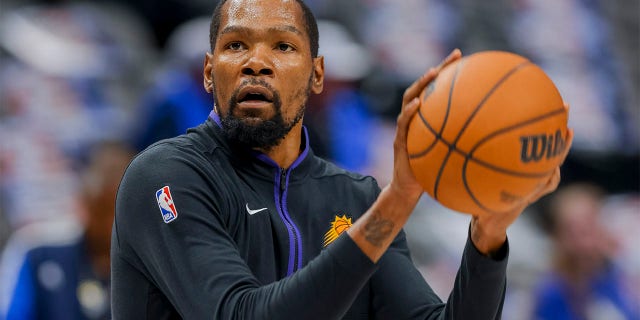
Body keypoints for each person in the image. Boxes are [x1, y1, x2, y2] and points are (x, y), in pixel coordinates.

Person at [110, 0, 572, 318]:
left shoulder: (353, 196)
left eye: (283, 46)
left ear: (317, 76)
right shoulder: (164, 177)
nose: (256, 61)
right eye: (235, 45)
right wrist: (395, 204)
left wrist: (489, 236)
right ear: (210, 74)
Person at [1, 141, 134, 320]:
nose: (112, 223)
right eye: (101, 210)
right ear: (84, 203)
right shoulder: (39, 249)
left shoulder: (154, 261)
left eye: (119, 212)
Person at [532, 183, 640, 320]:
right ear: (558, 238)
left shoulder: (623, 279)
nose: (584, 244)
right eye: (572, 233)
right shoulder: (550, 293)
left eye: (588, 229)